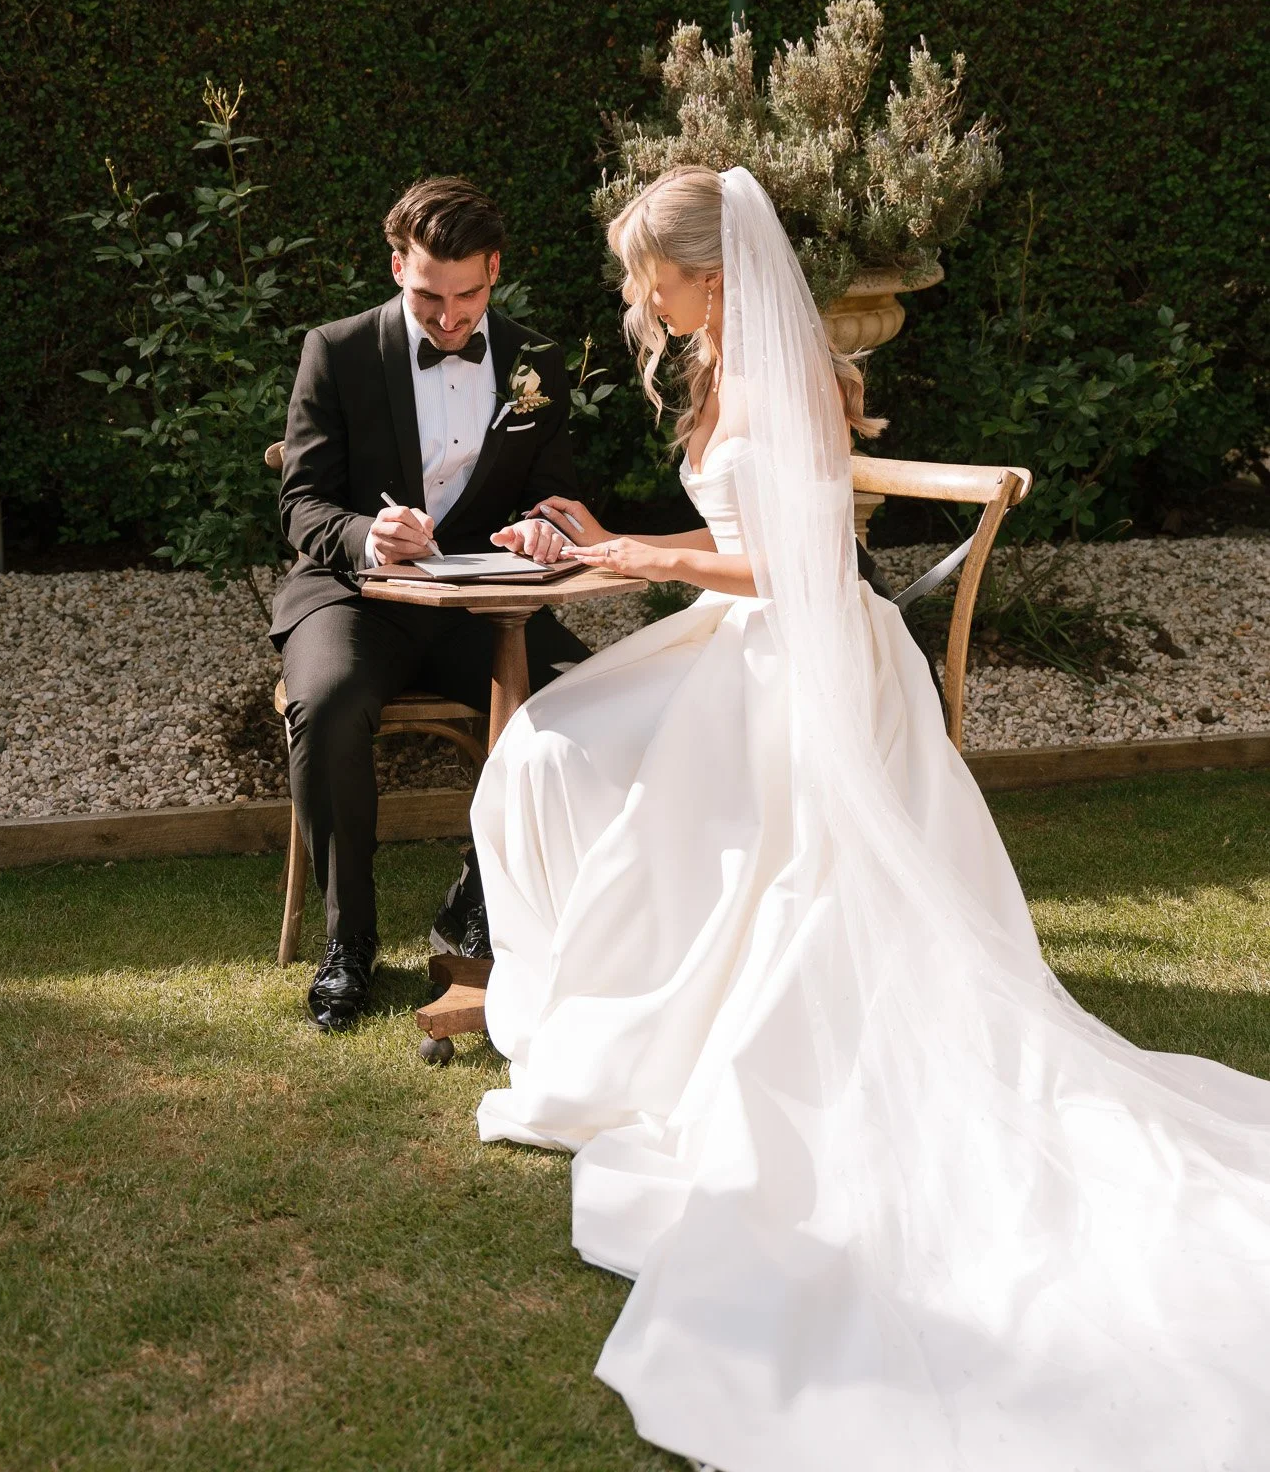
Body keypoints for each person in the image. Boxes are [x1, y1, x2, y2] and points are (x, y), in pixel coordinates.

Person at [471, 165, 1270, 1472]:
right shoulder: (720, 358)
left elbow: (801, 562)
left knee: (575, 753)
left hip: (804, 661)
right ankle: (590, 991)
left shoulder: (778, 374)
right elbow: (735, 533)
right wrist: (607, 534)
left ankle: (648, 1011)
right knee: (548, 751)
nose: (634, 294)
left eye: (645, 273)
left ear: (709, 278)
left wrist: (633, 556)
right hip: (740, 640)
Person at [269, 176, 589, 1033]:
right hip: (354, 597)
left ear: (495, 269)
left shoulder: (535, 363)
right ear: (395, 265)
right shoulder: (334, 351)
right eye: (426, 297)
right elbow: (300, 504)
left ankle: (481, 899)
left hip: (483, 610)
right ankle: (350, 945)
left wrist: (541, 530)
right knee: (329, 703)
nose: (449, 320)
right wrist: (369, 533)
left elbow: (552, 496)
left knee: (590, 701)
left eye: (469, 296)